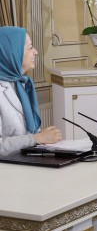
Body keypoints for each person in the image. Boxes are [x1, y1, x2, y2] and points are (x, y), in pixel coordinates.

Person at [0, 26, 62, 156]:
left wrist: (42, 137)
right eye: (30, 47)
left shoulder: (20, 84)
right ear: (12, 52)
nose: (36, 52)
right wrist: (36, 138)